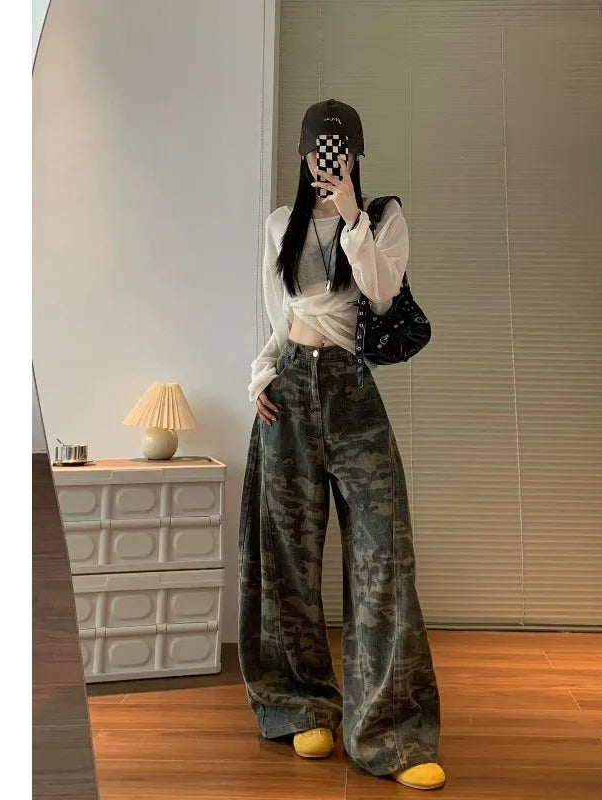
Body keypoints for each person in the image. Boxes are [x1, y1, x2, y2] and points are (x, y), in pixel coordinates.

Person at [238, 99, 445, 791]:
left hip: (352, 391)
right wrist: (262, 374)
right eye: (318, 150)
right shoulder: (280, 225)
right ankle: (301, 705)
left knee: (384, 557)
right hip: (290, 391)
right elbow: (280, 315)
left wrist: (353, 215)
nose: (327, 159)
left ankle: (390, 732)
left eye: (340, 149)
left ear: (356, 154)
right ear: (303, 155)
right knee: (287, 558)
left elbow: (383, 295)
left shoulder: (383, 217)